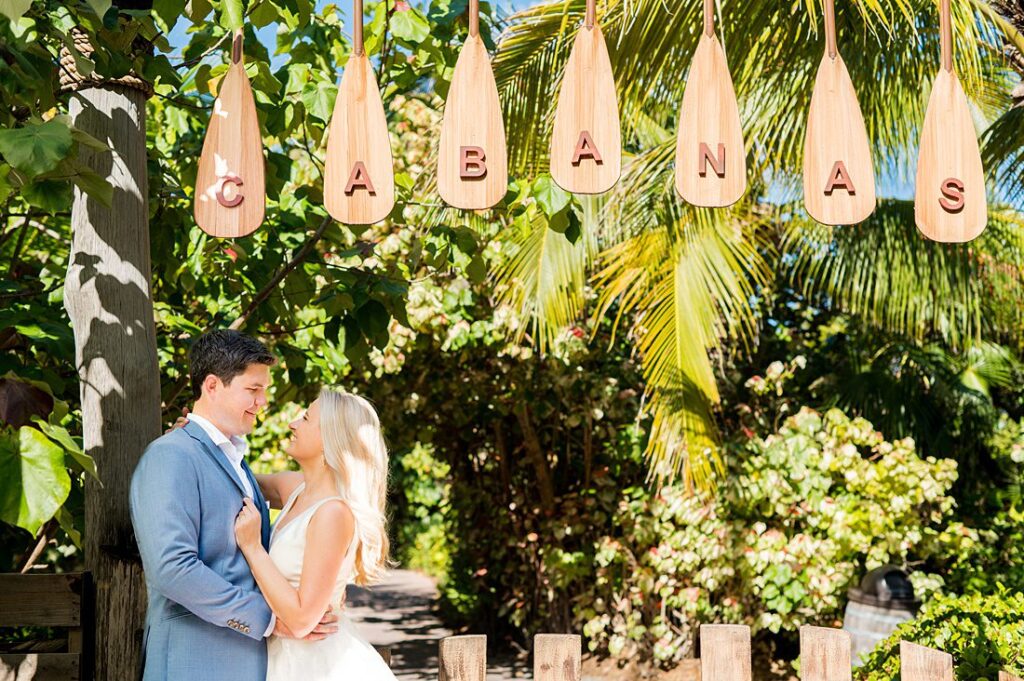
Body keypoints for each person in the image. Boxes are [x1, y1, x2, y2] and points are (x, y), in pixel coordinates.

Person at [130, 330, 338, 681]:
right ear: (211, 386)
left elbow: (320, 499)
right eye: (253, 390)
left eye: (265, 391)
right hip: (193, 664)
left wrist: (328, 589)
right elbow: (173, 569)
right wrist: (269, 619)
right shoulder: (170, 456)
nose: (262, 402)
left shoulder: (236, 464)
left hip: (251, 664)